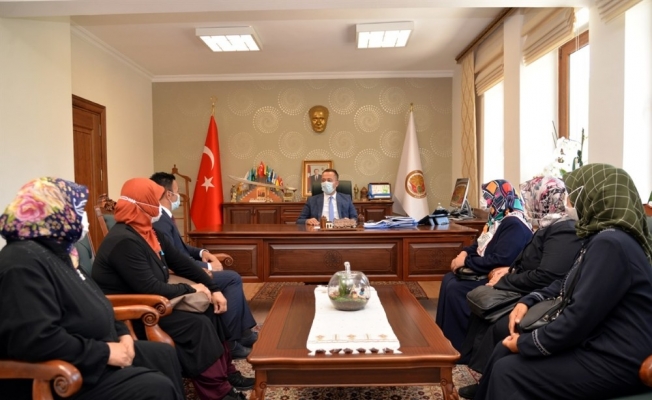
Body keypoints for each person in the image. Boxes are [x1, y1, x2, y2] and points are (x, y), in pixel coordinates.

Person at [474, 164, 652, 400]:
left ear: (594, 198)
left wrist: (528, 343)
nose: (569, 202)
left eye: (574, 195)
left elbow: (579, 317)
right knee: (502, 351)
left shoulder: (611, 244)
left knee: (508, 371)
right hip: (600, 341)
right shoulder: (604, 238)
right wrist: (529, 300)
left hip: (617, 357)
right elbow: (568, 281)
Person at [0, 177, 184, 400]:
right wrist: (106, 353)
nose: (83, 219)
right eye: (77, 210)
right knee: (157, 388)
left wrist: (123, 334)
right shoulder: (21, 263)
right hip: (64, 376)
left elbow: (100, 302)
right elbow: (35, 341)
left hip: (95, 351)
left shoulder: (61, 254)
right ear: (50, 213)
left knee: (163, 355)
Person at [92, 178, 250, 400]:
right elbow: (148, 287)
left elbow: (183, 264)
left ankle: (226, 374)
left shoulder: (149, 232)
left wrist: (213, 289)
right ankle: (218, 393)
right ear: (142, 204)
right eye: (155, 200)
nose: (159, 206)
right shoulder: (123, 241)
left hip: (155, 301)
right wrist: (192, 289)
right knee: (198, 325)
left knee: (210, 311)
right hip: (134, 313)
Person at [457, 176, 583, 399]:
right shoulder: (549, 224)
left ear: (542, 200)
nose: (526, 203)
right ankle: (480, 372)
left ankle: (488, 380)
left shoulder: (563, 230)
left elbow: (547, 275)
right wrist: (509, 271)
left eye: (530, 197)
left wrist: (507, 279)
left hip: (540, 293)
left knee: (499, 324)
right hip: (527, 283)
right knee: (481, 307)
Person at [150, 172, 257, 359]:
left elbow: (181, 248)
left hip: (186, 266)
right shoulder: (159, 221)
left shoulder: (164, 217)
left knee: (230, 277)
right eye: (177, 191)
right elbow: (173, 260)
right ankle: (230, 342)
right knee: (232, 279)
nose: (178, 196)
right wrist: (208, 268)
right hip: (180, 274)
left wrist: (204, 253)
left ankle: (243, 333)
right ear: (168, 194)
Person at [435, 179, 533, 352]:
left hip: (499, 277)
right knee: (449, 279)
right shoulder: (497, 220)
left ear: (500, 198)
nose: (486, 202)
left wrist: (466, 262)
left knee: (456, 288)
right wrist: (464, 253)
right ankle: (442, 340)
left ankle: (459, 347)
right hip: (486, 269)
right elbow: (480, 245)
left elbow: (500, 260)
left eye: (488, 197)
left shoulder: (514, 224)